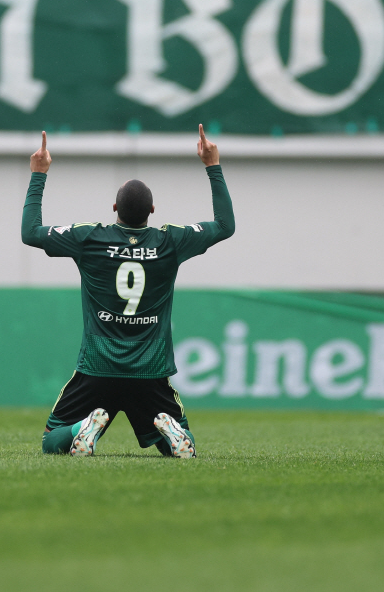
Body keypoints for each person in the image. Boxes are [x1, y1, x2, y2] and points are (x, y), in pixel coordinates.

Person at [21, 125, 235, 458]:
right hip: (150, 370)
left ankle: (81, 429)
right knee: (178, 441)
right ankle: (174, 434)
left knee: (52, 439)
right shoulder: (170, 241)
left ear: (114, 208)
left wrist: (38, 174)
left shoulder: (89, 239)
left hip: (97, 367)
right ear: (152, 212)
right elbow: (225, 226)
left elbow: (31, 232)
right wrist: (213, 165)